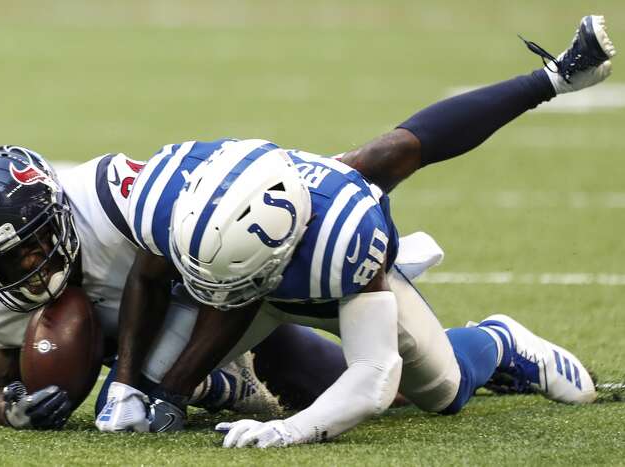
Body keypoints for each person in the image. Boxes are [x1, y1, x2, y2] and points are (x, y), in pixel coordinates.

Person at [98, 15, 615, 445]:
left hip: (323, 284)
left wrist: (289, 431)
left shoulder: (342, 236)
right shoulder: (174, 192)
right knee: (132, 406)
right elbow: (148, 277)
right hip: (249, 274)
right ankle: (219, 382)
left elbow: (373, 374)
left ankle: (497, 342)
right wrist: (125, 386)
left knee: (441, 392)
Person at [0, 146, 341, 429]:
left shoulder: (110, 200)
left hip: (217, 303)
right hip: (157, 345)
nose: (29, 268)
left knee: (353, 384)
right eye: (3, 261)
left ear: (59, 213)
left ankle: (219, 381)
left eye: (31, 245)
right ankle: (215, 387)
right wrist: (11, 411)